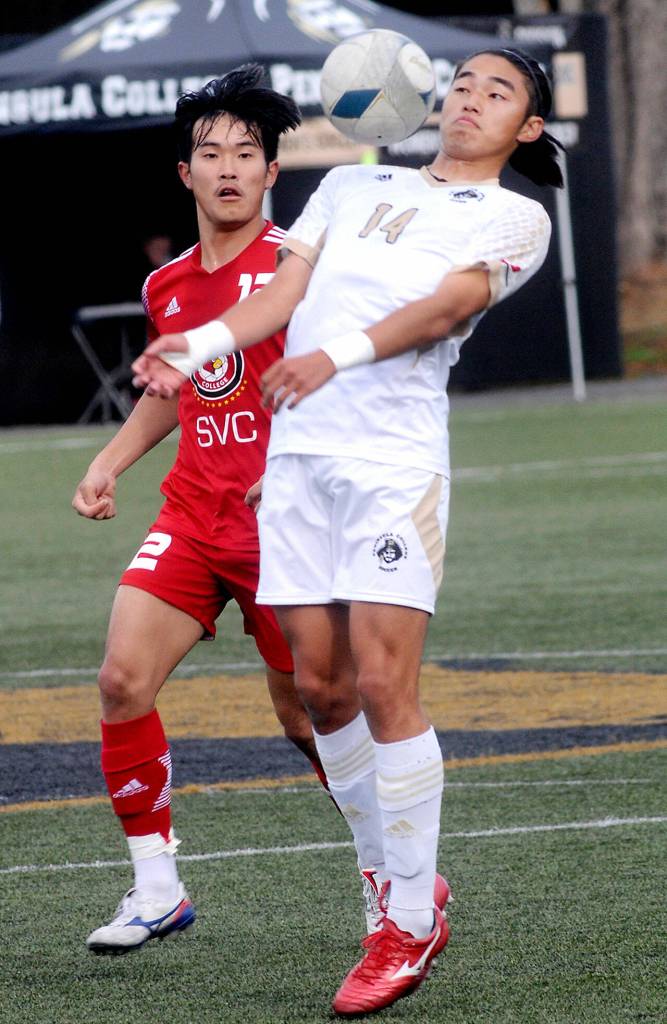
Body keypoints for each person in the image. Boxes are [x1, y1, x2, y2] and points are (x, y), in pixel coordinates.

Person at [133, 49, 562, 1016]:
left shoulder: (515, 216)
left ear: (526, 129)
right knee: (321, 693)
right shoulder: (348, 185)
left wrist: (336, 356)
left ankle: (409, 922)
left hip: (392, 465)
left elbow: (448, 306)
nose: (470, 99)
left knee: (379, 683)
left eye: (498, 93)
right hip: (296, 466)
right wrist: (192, 347)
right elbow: (279, 296)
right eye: (462, 83)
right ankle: (385, 878)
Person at [71, 65, 333, 955]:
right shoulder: (167, 286)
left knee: (309, 716)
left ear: (270, 174)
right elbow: (173, 388)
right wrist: (107, 462)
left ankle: (398, 867)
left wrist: (296, 464)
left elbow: (345, 383)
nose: (228, 167)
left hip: (286, 527)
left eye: (247, 154)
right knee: (119, 680)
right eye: (210, 153)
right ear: (184, 172)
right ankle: (157, 889)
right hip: (193, 515)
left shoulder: (299, 269)